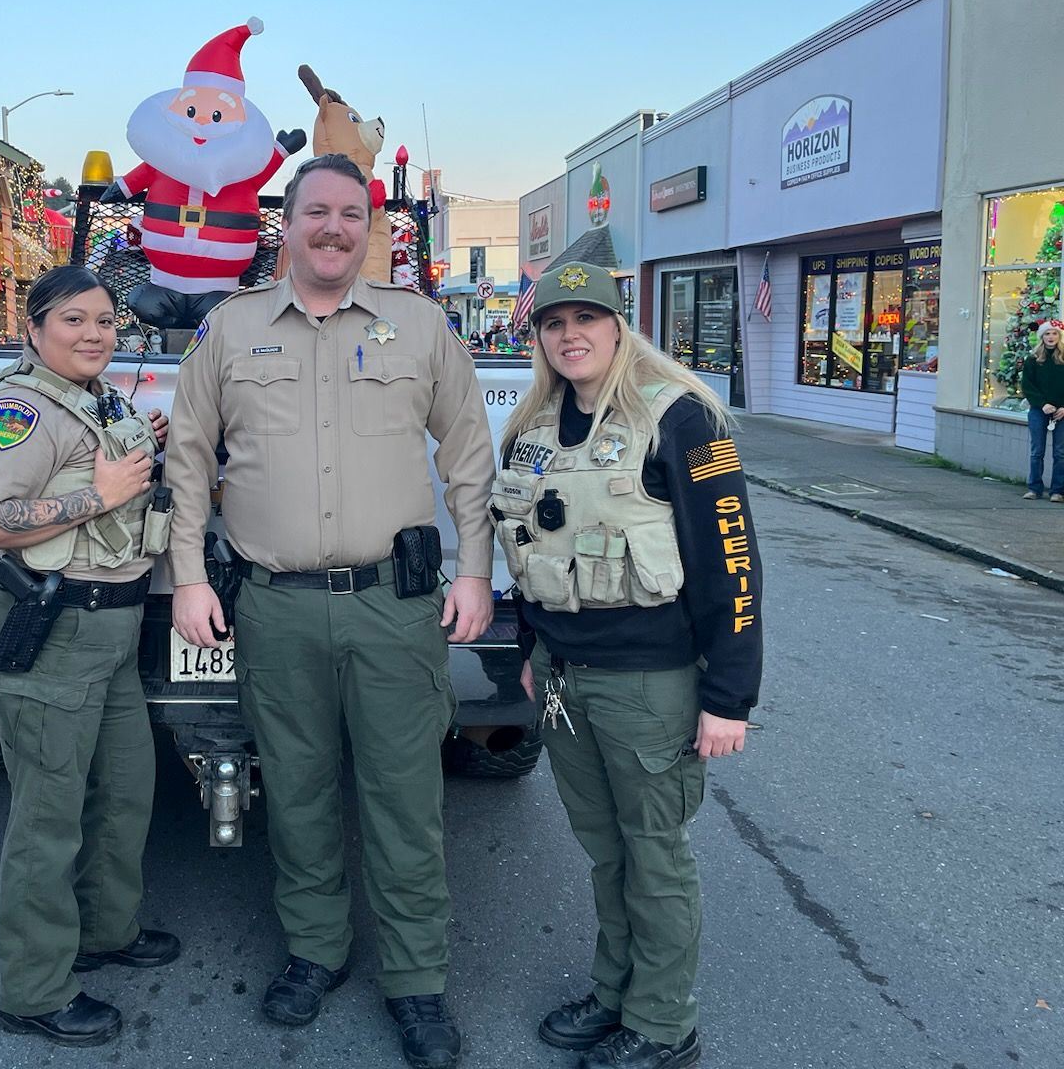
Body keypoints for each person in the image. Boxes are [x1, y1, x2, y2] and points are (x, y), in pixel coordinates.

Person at [165, 153, 496, 1069]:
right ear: (289, 219)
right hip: (272, 606)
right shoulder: (230, 331)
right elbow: (188, 459)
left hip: (394, 608)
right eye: (317, 211)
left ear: (370, 224)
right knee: (300, 791)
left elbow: (468, 451)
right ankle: (315, 952)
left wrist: (476, 571)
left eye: (352, 214)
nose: (334, 229)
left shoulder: (420, 326)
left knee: (404, 797)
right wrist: (189, 574)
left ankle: (417, 979)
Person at [496, 262, 762, 1069]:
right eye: (554, 323)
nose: (570, 334)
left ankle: (662, 1021)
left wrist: (729, 698)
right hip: (567, 682)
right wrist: (530, 653)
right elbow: (528, 552)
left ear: (621, 326)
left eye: (588, 318)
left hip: (651, 684)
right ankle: (614, 993)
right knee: (606, 852)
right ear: (538, 337)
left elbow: (733, 563)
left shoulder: (682, 420)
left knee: (655, 857)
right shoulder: (535, 428)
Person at [0, 266, 178, 1048]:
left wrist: (133, 451)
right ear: (35, 327)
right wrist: (100, 495)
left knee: (125, 792)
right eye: (74, 320)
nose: (92, 334)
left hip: (112, 634)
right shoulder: (19, 407)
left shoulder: (97, 399)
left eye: (105, 321)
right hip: (52, 631)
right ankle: (35, 988)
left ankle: (104, 932)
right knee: (48, 819)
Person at [1020, 317, 1064, 501]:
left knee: (1060, 452)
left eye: (1054, 333)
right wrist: (1042, 404)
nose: (1051, 337)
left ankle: (1057, 491)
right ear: (1042, 336)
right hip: (1040, 410)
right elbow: (1027, 386)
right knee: (1037, 451)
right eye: (1047, 333)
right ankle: (1034, 488)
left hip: (1061, 411)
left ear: (1059, 336)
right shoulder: (1033, 360)